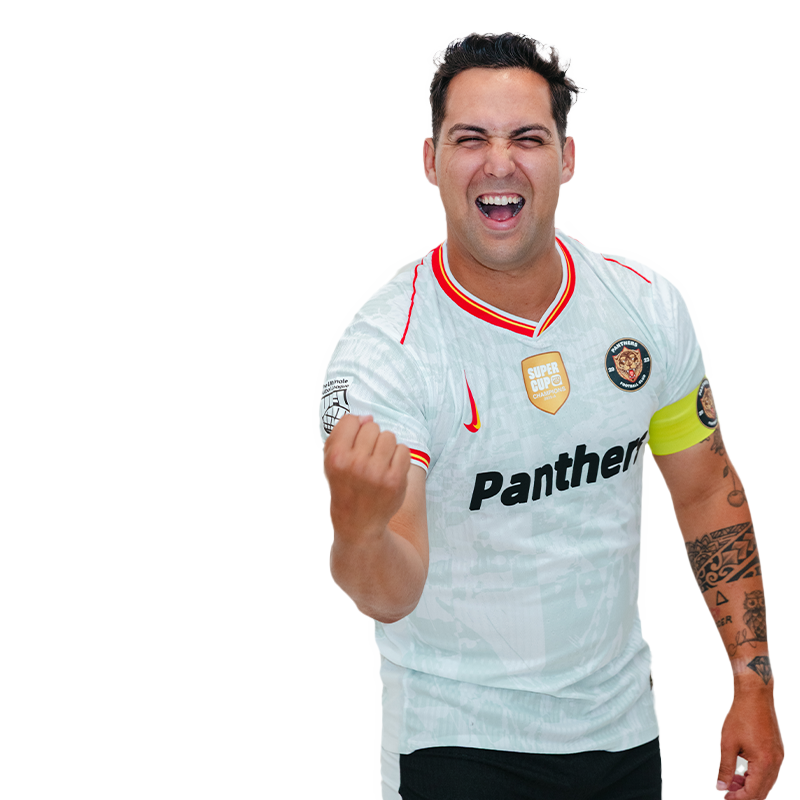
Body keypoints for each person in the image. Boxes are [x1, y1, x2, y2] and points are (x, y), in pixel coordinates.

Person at [314, 31, 784, 800]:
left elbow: (706, 494)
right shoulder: (385, 352)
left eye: (527, 138)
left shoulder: (645, 307)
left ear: (566, 157)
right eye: (471, 138)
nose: (499, 162)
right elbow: (388, 593)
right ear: (431, 161)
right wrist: (357, 528)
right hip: (457, 743)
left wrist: (754, 685)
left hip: (622, 732)